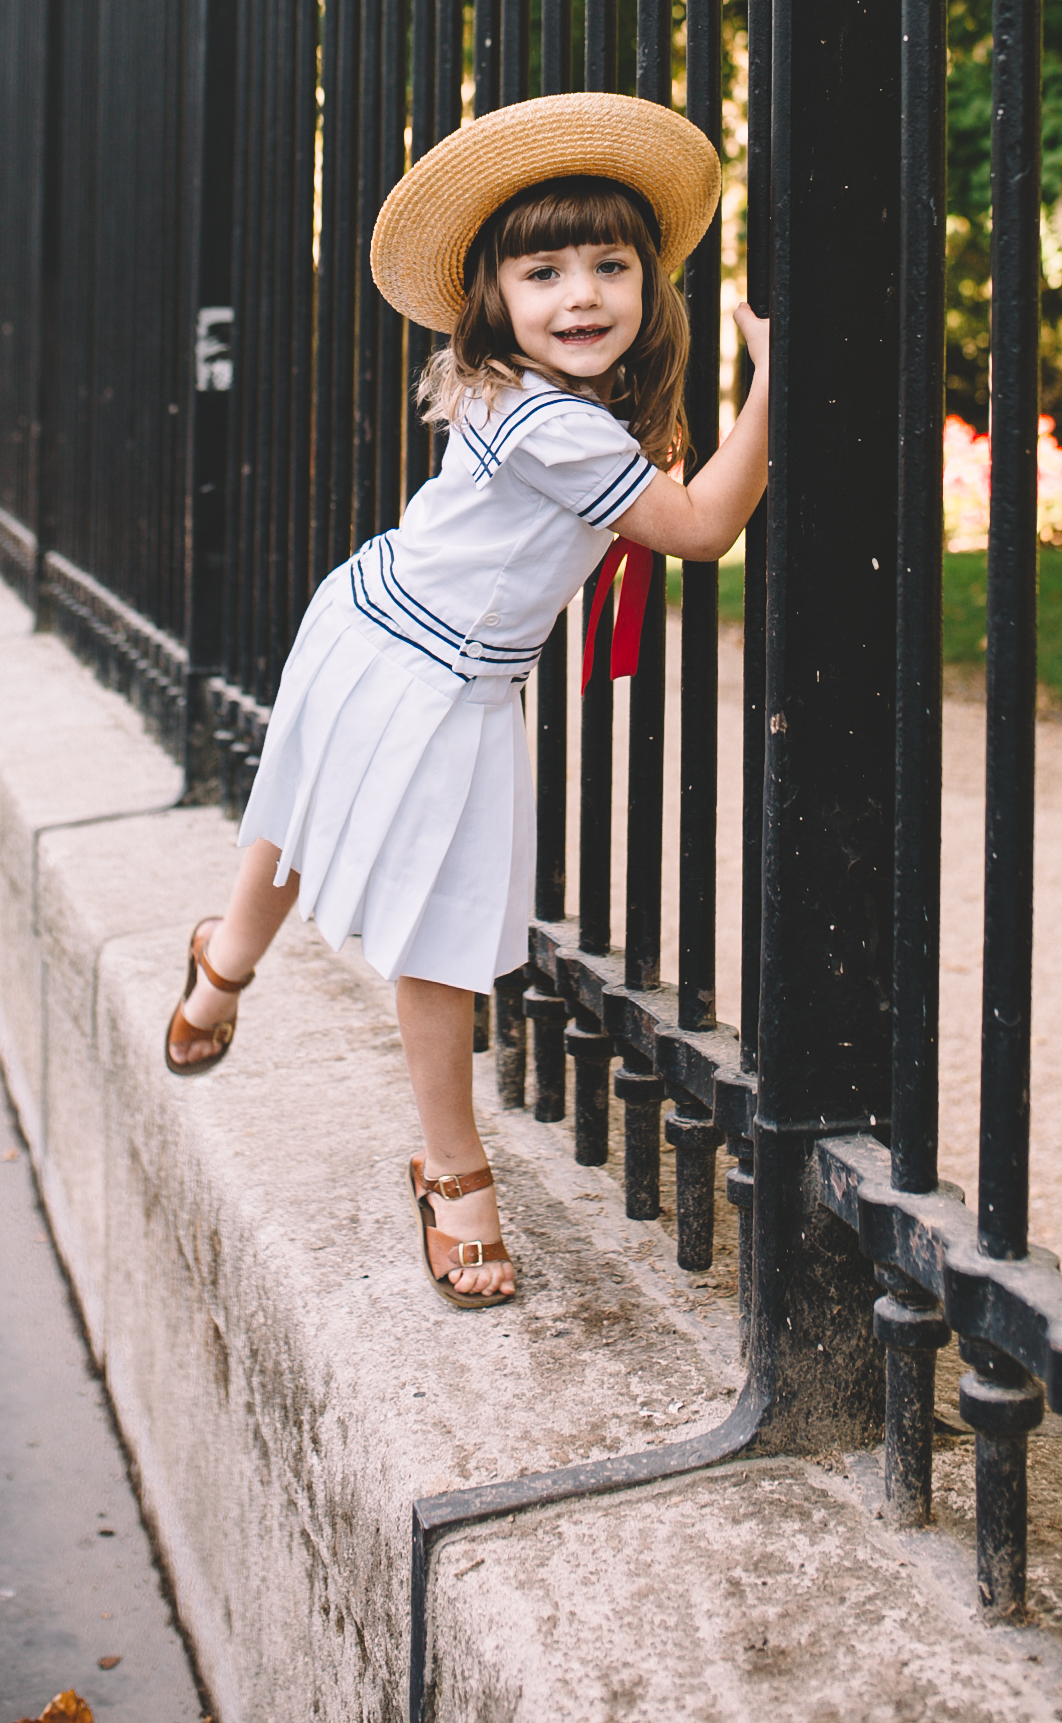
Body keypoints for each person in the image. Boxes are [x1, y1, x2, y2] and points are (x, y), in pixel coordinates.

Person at [162, 91, 771, 1310]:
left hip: (414, 648)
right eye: (543, 271)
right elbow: (702, 528)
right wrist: (776, 390)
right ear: (493, 298)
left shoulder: (549, 401)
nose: (583, 295)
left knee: (313, 814)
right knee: (414, 912)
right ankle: (450, 1169)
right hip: (410, 660)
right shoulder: (549, 418)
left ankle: (222, 965)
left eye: (611, 264)